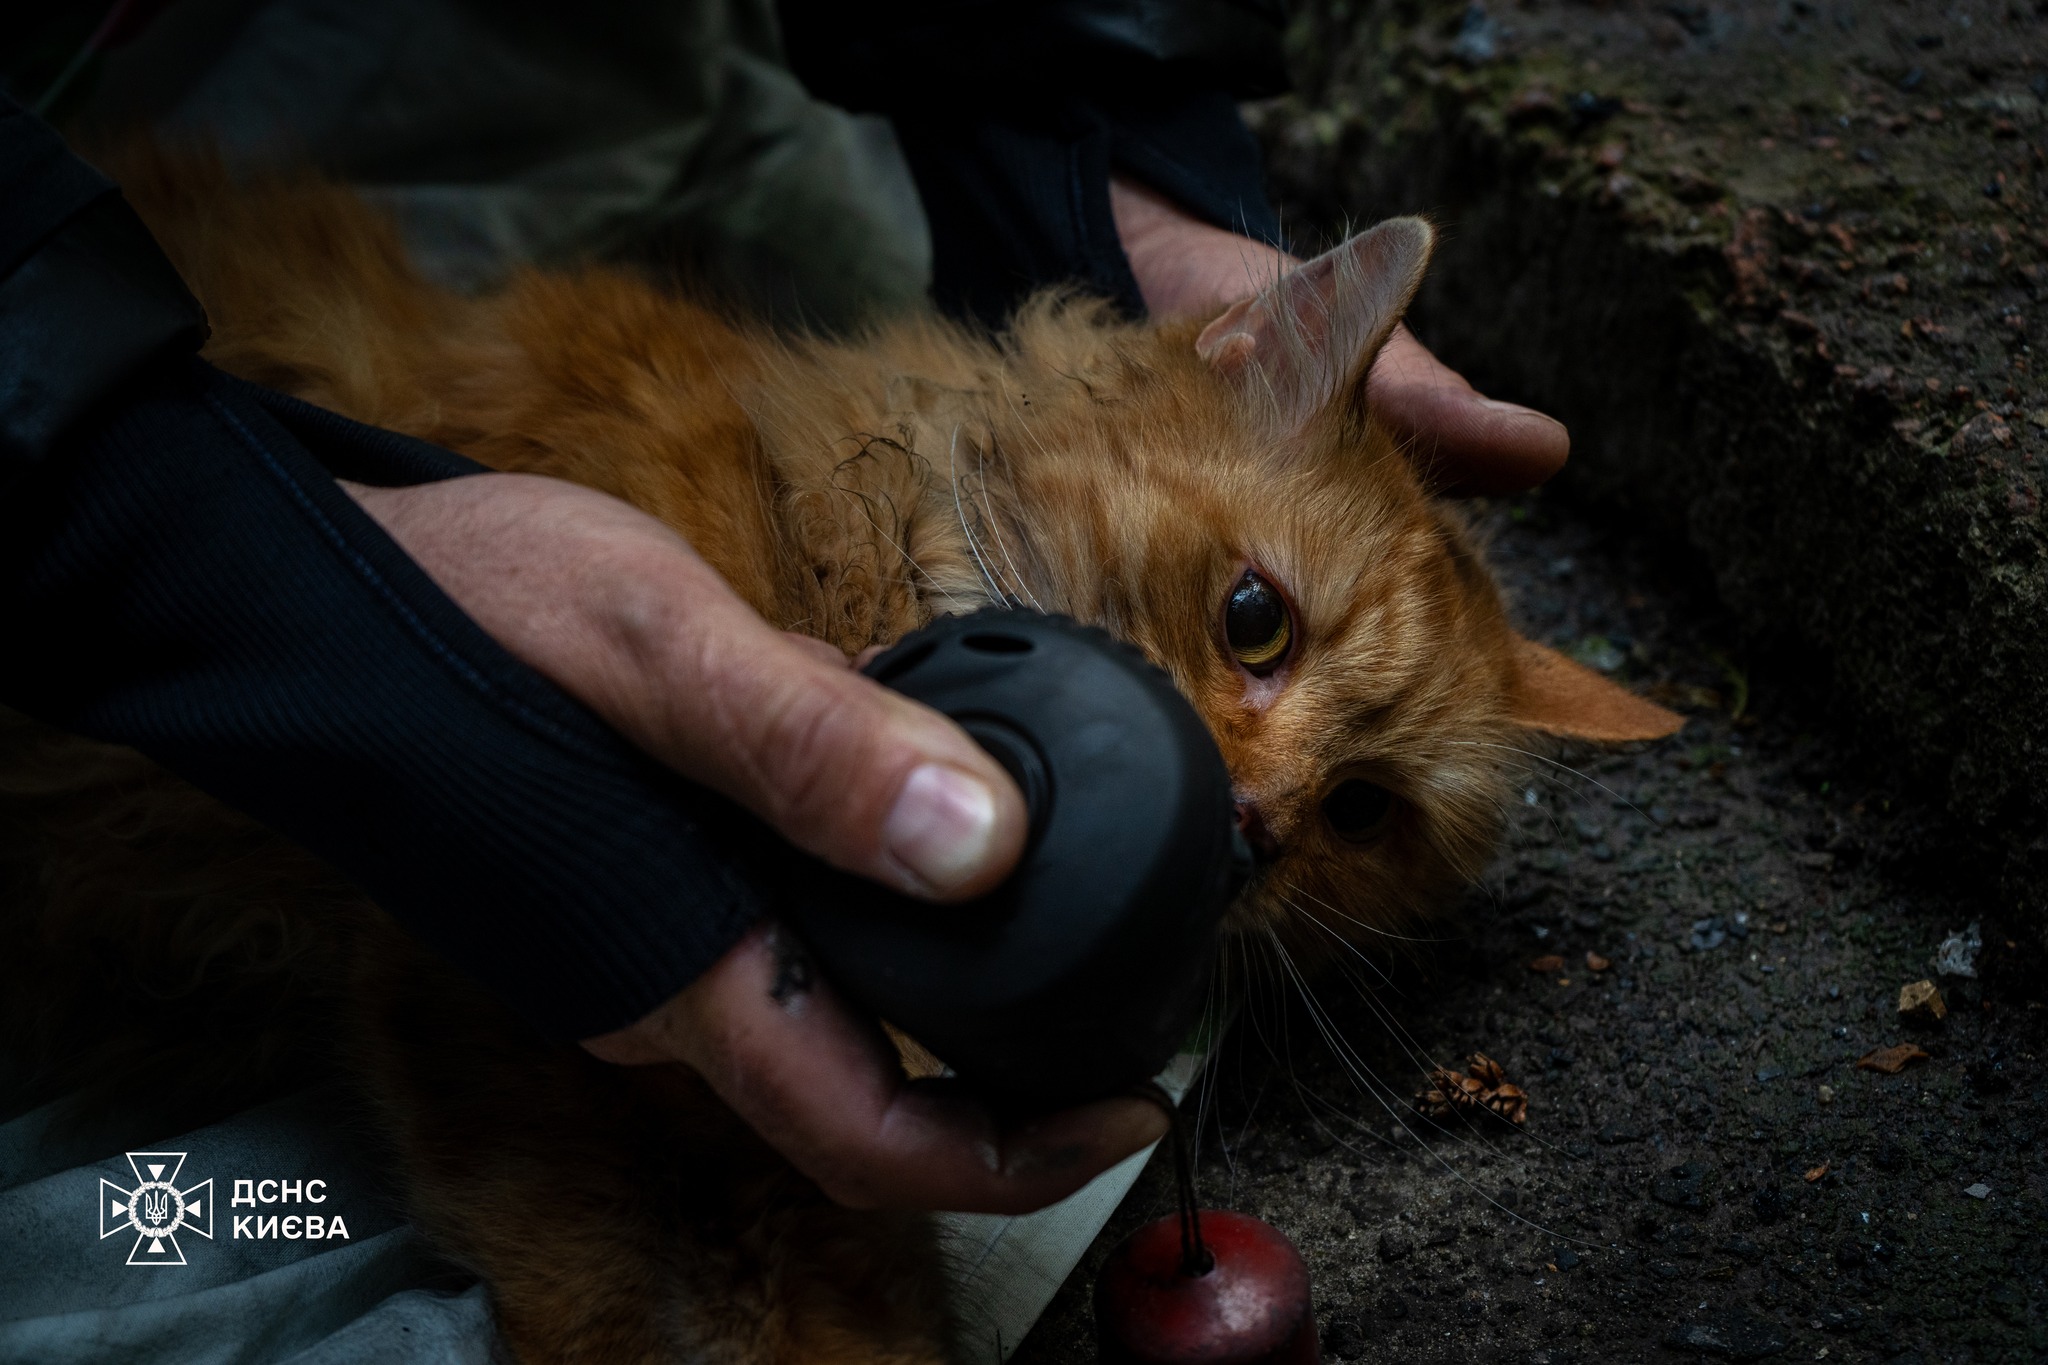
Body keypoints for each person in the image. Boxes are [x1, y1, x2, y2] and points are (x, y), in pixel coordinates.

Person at [0, 0, 1567, 1217]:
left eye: (1363, 810)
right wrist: (192, 528)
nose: (1271, 803)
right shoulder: (707, 496)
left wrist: (1097, 155)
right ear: (1225, 362)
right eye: (1252, 623)